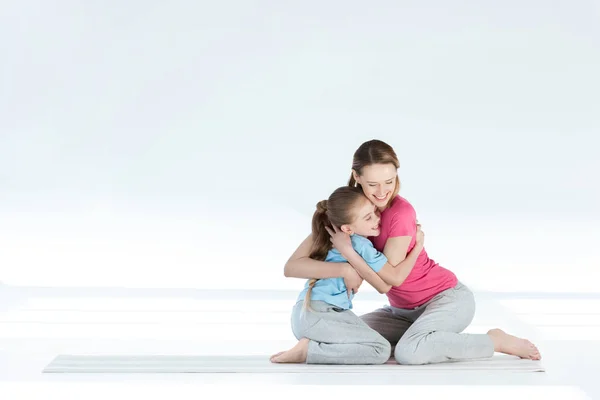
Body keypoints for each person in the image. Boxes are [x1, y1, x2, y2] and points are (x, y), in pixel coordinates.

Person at [283, 139, 541, 365]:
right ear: (357, 177)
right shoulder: (349, 211)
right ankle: (422, 338)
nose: (382, 192)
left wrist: (412, 248)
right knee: (348, 336)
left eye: (389, 181)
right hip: (401, 311)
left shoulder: (400, 213)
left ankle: (492, 341)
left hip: (444, 299)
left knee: (409, 353)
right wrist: (343, 268)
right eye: (373, 184)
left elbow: (391, 279)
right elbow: (293, 266)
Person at [270, 186, 424, 364]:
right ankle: (308, 351)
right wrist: (417, 248)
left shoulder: (333, 236)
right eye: (368, 217)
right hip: (320, 314)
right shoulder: (361, 245)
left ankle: (312, 347)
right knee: (380, 350)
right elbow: (385, 285)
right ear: (348, 228)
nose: (377, 219)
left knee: (379, 344)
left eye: (374, 211)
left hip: (305, 313)